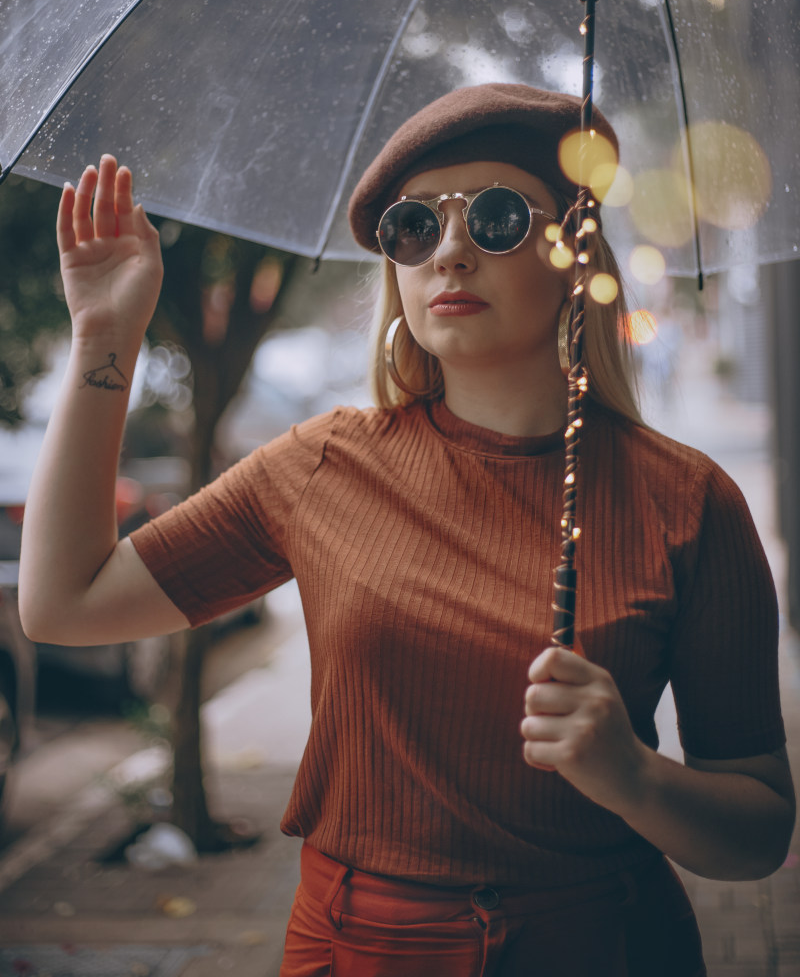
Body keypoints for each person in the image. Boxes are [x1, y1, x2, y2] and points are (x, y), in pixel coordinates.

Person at [18, 84, 795, 977]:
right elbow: (63, 604)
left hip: (606, 945)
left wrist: (634, 776)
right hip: (359, 949)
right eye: (414, 229)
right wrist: (104, 338)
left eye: (497, 218)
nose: (451, 251)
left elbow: (759, 835)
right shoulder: (322, 466)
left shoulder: (688, 501)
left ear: (572, 256)